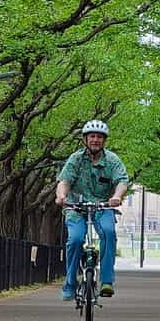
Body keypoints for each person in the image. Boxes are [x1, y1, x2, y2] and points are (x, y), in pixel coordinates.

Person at [55, 119, 128, 301]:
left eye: (99, 137)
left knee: (109, 233)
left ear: (104, 140)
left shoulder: (112, 160)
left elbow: (122, 181)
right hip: (76, 208)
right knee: (75, 240)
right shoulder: (76, 159)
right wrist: (61, 196)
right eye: (92, 136)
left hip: (102, 206)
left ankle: (106, 281)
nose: (95, 140)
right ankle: (70, 282)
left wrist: (117, 196)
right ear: (86, 139)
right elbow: (64, 181)